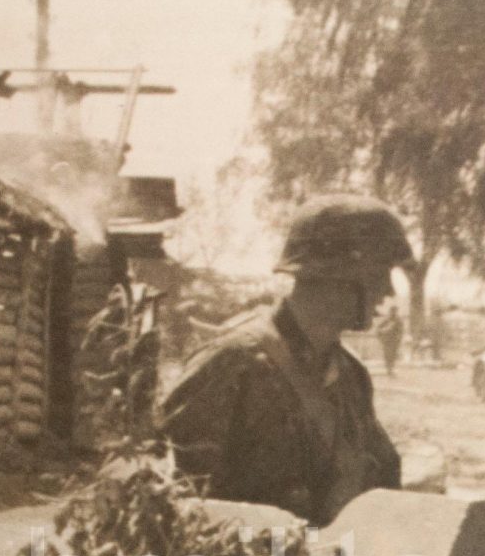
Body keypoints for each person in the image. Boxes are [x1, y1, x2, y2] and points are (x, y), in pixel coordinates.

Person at [157, 194, 410, 525]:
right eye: (380, 274)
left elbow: (380, 482)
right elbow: (174, 502)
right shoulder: (231, 363)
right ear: (334, 274)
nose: (389, 292)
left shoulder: (351, 375)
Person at [375, 302, 404, 377]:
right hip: (387, 341)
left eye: (395, 311)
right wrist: (380, 337)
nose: (393, 312)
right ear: (390, 311)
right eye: (392, 311)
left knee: (393, 355)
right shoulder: (387, 319)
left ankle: (391, 368)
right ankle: (389, 369)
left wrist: (399, 339)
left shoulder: (398, 320)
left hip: (394, 341)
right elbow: (378, 328)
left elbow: (401, 331)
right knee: (387, 355)